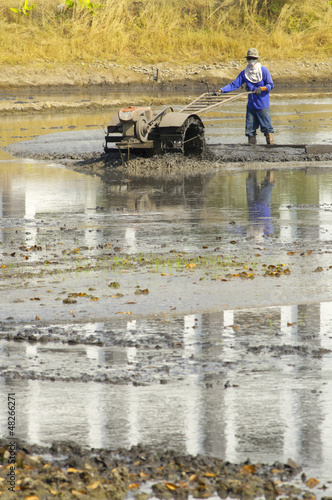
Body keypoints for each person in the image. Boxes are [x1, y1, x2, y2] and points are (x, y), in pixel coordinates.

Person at [219, 48, 274, 145]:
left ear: (257, 59)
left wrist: (261, 89)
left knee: (267, 129)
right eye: (249, 58)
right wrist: (221, 90)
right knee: (250, 130)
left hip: (262, 106)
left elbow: (270, 85)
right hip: (251, 106)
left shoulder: (264, 71)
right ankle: (252, 150)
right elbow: (234, 84)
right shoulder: (245, 73)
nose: (251, 61)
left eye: (253, 58)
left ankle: (270, 147)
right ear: (247, 59)